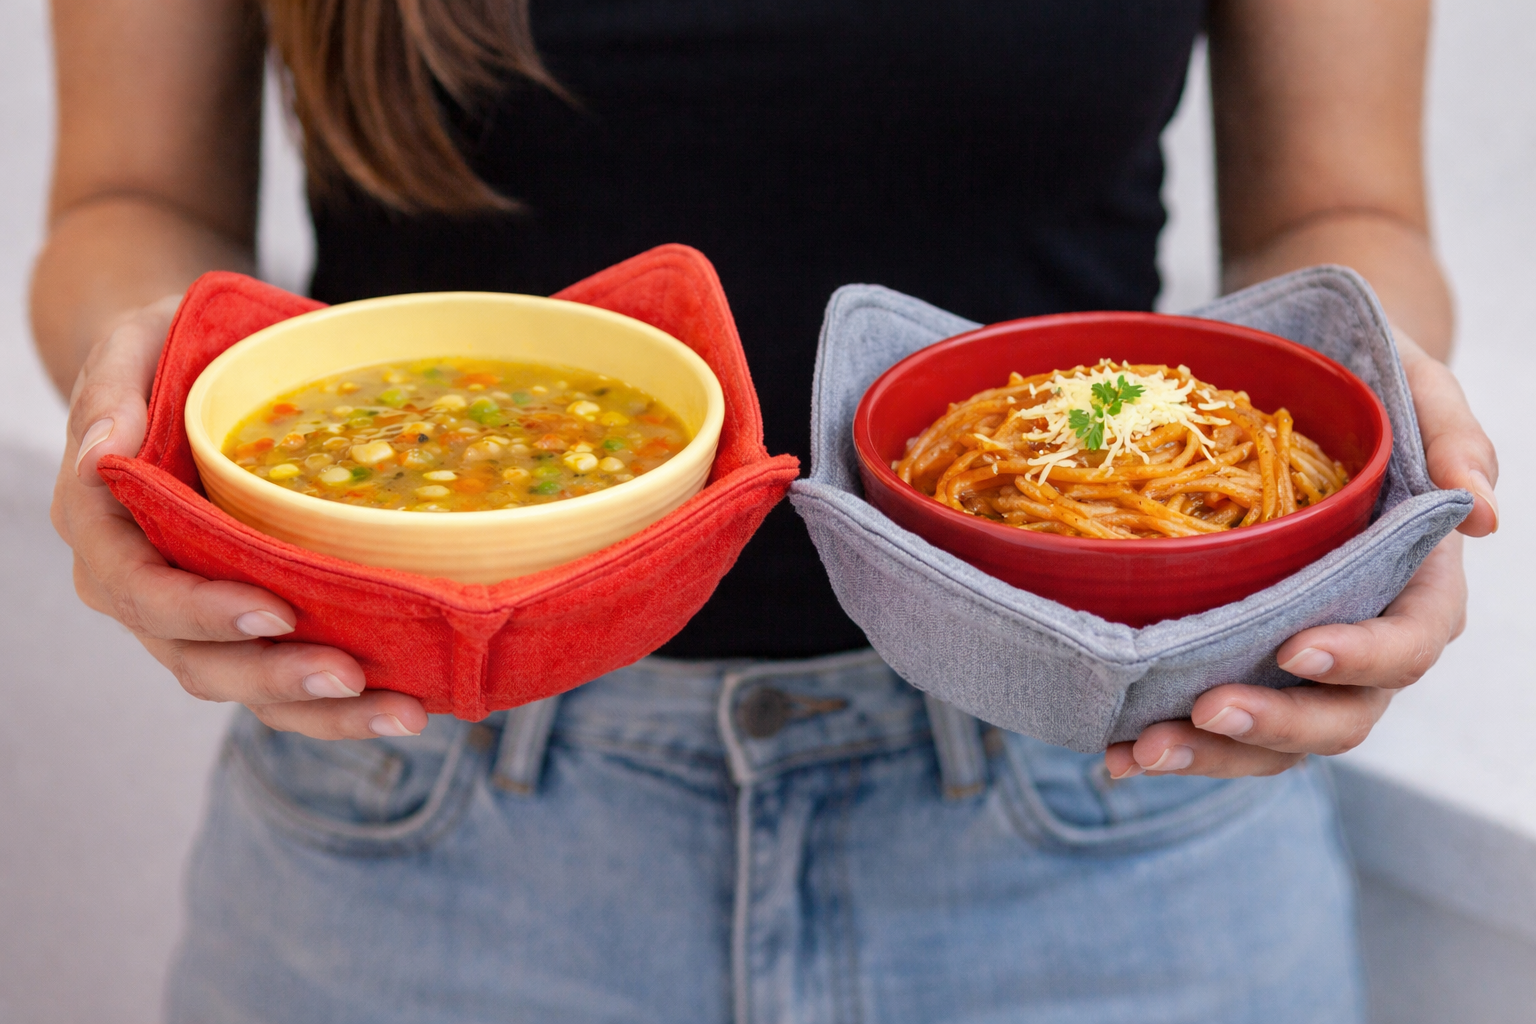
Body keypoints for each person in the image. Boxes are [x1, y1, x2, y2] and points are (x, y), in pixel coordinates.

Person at [34, 0, 1499, 1020]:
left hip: (1110, 796)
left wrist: (1369, 453)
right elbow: (127, 192)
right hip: (417, 810)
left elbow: (1346, 213)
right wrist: (144, 403)